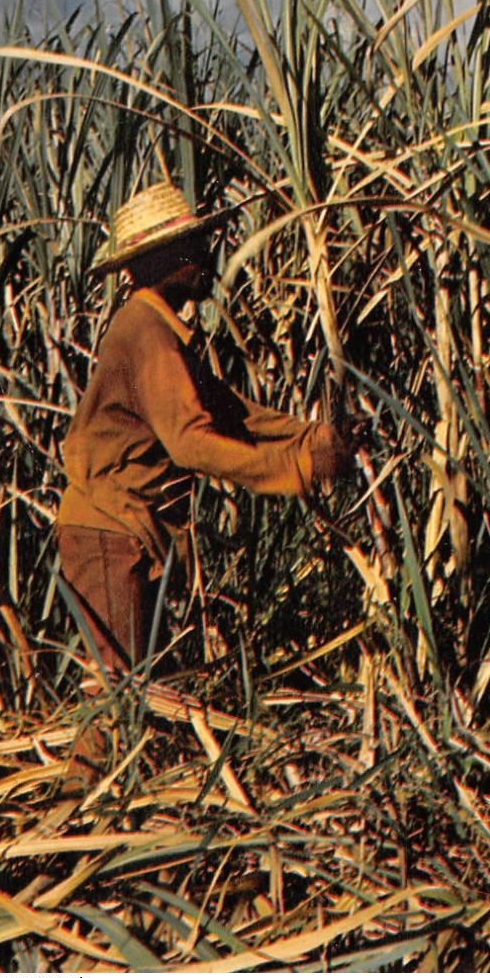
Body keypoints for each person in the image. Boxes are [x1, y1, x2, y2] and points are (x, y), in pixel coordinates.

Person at [56, 180, 352, 685]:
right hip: (109, 530)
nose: (208, 257)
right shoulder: (147, 334)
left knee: (140, 691)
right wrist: (296, 468)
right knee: (119, 698)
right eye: (194, 248)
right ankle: (91, 770)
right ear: (165, 261)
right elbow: (191, 440)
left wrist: (310, 437)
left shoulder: (157, 330)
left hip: (124, 530)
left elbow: (229, 412)